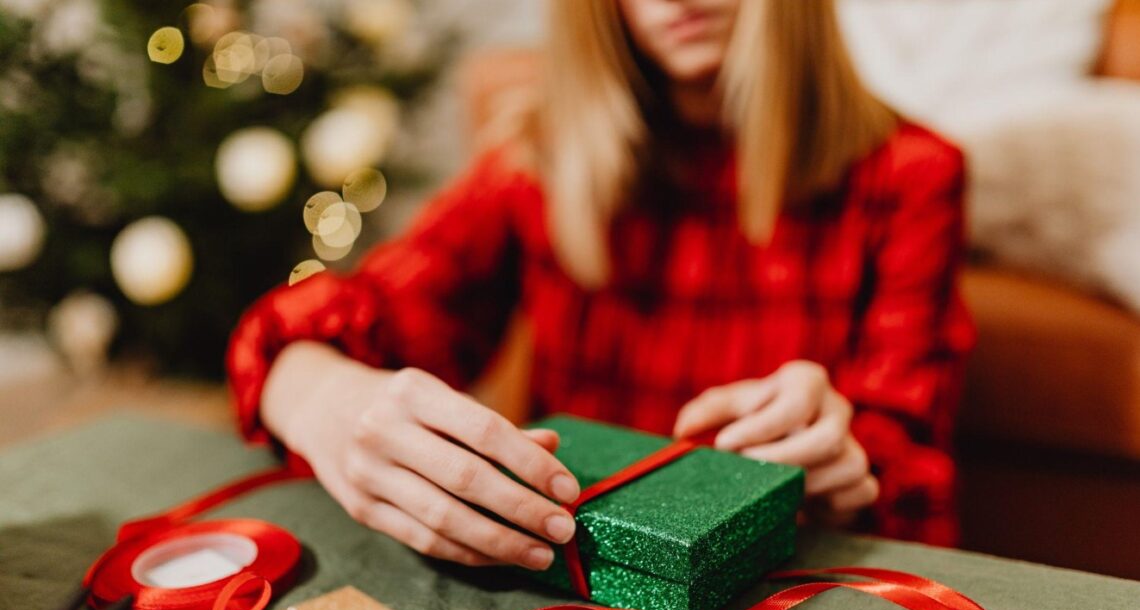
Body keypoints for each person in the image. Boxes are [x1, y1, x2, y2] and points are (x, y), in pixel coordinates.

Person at [226, 0, 975, 574]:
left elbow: (910, 465)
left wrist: (851, 466)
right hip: (566, 588)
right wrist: (317, 394)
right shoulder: (536, 155)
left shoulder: (911, 174)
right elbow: (366, 310)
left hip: (786, 593)